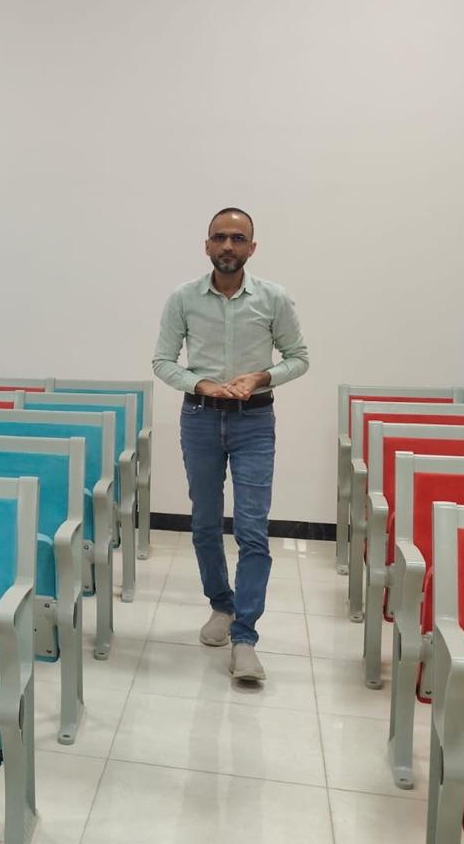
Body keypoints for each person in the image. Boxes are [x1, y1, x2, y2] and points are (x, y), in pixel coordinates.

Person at [152, 208, 309, 683]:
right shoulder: (183, 298)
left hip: (254, 421)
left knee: (252, 529)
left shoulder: (273, 298)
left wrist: (262, 376)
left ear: (251, 248)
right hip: (199, 418)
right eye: (219, 237)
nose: (227, 246)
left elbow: (299, 358)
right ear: (206, 245)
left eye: (238, 239)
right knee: (204, 524)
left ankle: (245, 636)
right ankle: (221, 604)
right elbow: (163, 361)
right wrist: (199, 383)